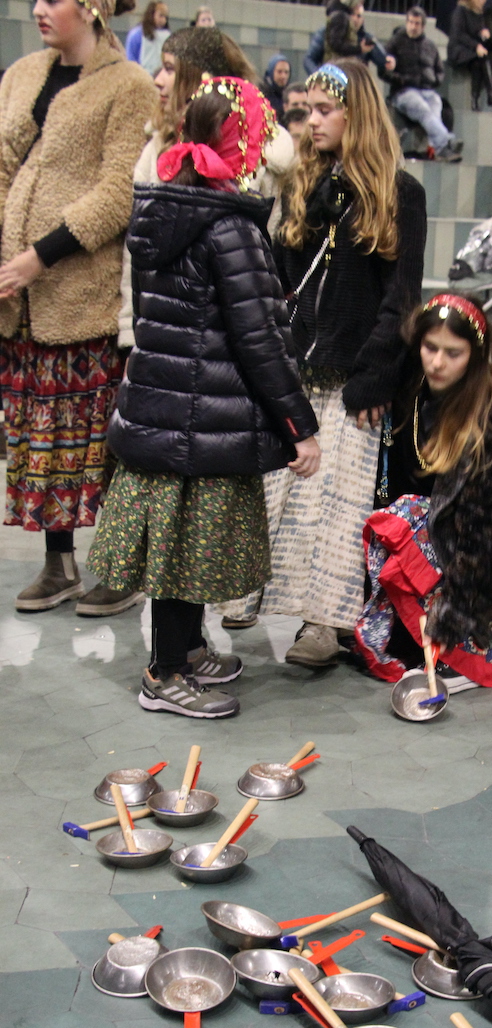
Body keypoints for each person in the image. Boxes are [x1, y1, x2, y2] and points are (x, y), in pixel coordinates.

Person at [87, 78, 320, 719]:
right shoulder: (229, 226)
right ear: (240, 146)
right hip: (203, 414)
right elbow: (260, 340)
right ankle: (164, 674)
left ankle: (187, 651)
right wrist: (298, 424)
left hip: (165, 408)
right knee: (184, 552)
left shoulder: (163, 210)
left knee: (182, 542)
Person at [218, 61, 427, 661]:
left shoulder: (399, 193)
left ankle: (323, 624)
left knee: (337, 504)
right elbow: (278, 278)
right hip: (295, 370)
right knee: (273, 489)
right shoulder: (302, 187)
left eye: (325, 110)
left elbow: (401, 299)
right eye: (306, 110)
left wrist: (373, 379)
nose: (311, 121)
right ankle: (248, 589)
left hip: (356, 379)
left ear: (356, 115)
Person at [0, 0, 157, 617]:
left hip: (82, 293)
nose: (39, 9)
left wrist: (39, 256)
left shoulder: (129, 85)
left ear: (91, 7)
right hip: (21, 300)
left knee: (98, 440)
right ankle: (58, 563)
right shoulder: (21, 74)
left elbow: (119, 191)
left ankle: (122, 568)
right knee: (41, 438)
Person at [358, 294, 492, 689]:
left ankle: (464, 640)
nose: (437, 363)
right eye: (430, 348)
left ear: (475, 356)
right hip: (433, 549)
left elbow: (484, 543)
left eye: (453, 353)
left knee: (404, 518)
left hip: (466, 578)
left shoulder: (484, 427)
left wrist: (451, 620)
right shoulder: (414, 388)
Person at [119, 26, 296, 349]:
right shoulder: (157, 149)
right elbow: (138, 255)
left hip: (227, 342)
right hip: (161, 335)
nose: (158, 79)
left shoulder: (257, 158)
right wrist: (133, 334)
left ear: (204, 78)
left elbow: (260, 266)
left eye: (170, 68)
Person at [383, 6, 461, 163]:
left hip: (427, 89)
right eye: (410, 22)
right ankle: (446, 140)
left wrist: (434, 80)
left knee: (436, 103)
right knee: (422, 107)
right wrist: (401, 79)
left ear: (423, 26)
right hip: (403, 91)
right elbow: (383, 70)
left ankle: (438, 148)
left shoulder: (430, 46)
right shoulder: (395, 42)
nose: (413, 26)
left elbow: (440, 71)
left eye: (417, 23)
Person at [448, 0, 492, 111]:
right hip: (459, 49)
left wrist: (484, 35)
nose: (483, 1)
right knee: (482, 58)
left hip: (473, 51)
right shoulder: (460, 11)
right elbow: (459, 35)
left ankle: (475, 100)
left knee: (478, 62)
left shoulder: (480, 14)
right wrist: (476, 46)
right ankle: (491, 94)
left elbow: (477, 35)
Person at [323, 2, 388, 77]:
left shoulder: (366, 38)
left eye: (359, 16)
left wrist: (389, 60)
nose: (355, 19)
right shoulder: (331, 32)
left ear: (362, 19)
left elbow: (382, 60)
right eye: (352, 14)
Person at [125, 0, 169, 75]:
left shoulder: (167, 35)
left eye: (166, 17)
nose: (164, 20)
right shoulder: (136, 34)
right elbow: (131, 59)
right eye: (161, 16)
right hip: (141, 75)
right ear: (152, 14)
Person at [262, 53, 291, 120]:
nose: (283, 76)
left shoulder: (290, 94)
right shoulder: (262, 94)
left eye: (286, 72)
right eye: (279, 72)